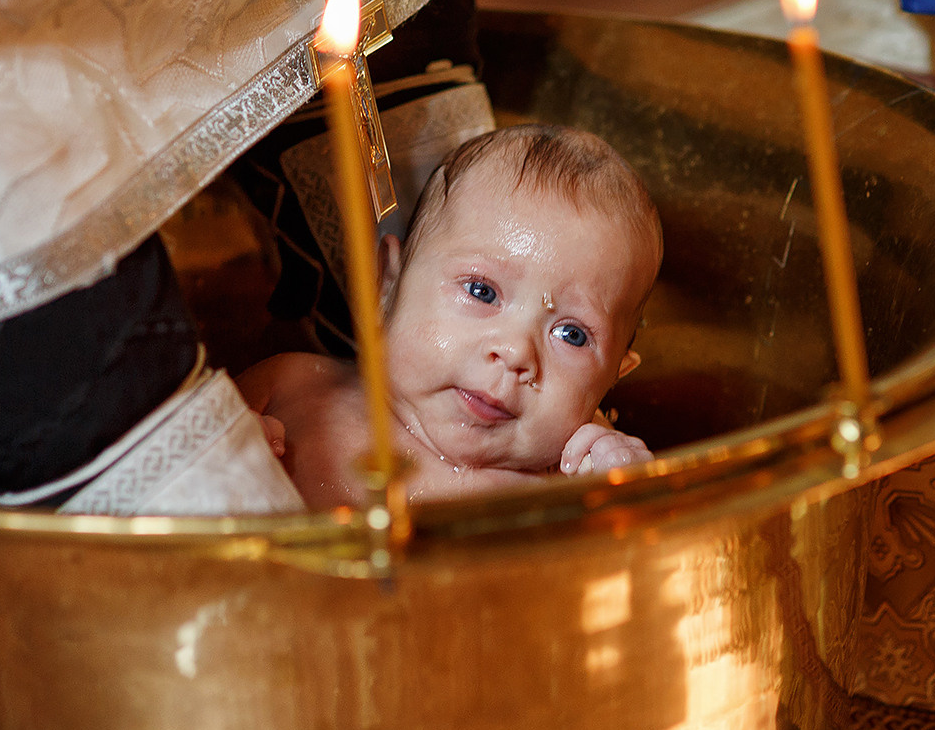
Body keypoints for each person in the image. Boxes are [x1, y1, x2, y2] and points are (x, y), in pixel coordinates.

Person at [238, 123, 662, 508]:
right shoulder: (289, 387)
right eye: (482, 291)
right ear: (387, 283)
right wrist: (221, 458)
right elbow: (176, 449)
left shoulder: (574, 482)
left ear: (613, 376)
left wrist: (633, 498)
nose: (515, 351)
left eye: (571, 334)